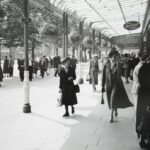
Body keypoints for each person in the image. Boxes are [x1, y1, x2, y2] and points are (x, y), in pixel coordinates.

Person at [101, 50, 133, 123]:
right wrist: (102, 86)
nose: (115, 58)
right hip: (108, 85)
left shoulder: (119, 64)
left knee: (113, 98)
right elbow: (103, 77)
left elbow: (123, 71)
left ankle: (111, 116)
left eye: (116, 57)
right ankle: (115, 109)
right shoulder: (106, 65)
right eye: (113, 57)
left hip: (117, 84)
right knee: (111, 100)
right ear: (110, 57)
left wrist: (123, 66)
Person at [136, 59, 150, 148]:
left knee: (142, 116)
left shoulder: (142, 67)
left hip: (142, 97)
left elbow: (140, 82)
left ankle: (142, 137)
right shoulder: (144, 68)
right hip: (147, 96)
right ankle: (147, 139)